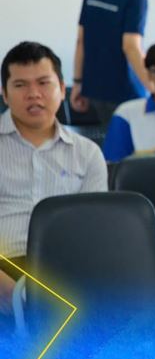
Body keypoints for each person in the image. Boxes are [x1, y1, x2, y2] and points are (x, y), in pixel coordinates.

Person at [0, 42, 107, 318]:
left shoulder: (87, 153)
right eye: (20, 85)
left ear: (61, 88)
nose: (33, 94)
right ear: (4, 94)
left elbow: (95, 230)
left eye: (43, 83)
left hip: (68, 270)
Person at [71, 0, 155, 125]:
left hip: (94, 89)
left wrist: (78, 83)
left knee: (106, 141)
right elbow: (131, 47)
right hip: (125, 92)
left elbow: (81, 41)